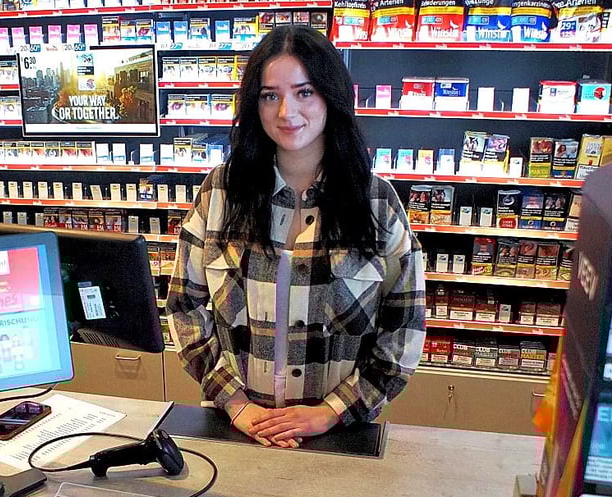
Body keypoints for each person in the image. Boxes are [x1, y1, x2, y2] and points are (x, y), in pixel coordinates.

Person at [167, 25, 426, 449]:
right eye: (270, 95)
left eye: (304, 92)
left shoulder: (377, 203)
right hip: (236, 431)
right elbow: (184, 306)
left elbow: (404, 329)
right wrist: (236, 404)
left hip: (339, 437)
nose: (287, 112)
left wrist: (332, 412)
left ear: (331, 96)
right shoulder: (220, 192)